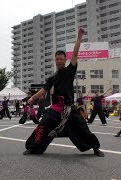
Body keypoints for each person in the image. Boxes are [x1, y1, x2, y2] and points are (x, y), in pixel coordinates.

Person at [23, 28, 104, 157]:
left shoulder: (70, 71)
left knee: (82, 127)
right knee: (43, 125)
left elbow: (76, 54)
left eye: (61, 59)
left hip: (69, 108)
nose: (59, 61)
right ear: (55, 60)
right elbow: (44, 90)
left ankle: (95, 148)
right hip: (55, 109)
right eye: (57, 59)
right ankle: (32, 148)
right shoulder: (52, 78)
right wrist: (32, 98)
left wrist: (79, 38)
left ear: (65, 60)